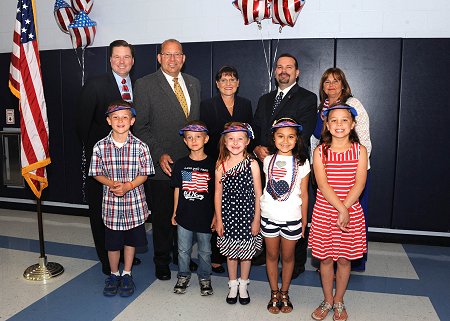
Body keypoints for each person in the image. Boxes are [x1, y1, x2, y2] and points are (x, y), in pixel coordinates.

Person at [133, 39, 201, 281]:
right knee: (162, 217)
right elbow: (140, 127)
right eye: (167, 55)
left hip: (190, 164)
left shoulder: (194, 83)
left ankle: (180, 255)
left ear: (183, 58)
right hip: (163, 163)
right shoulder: (144, 85)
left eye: (177, 55)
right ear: (159, 58)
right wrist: (158, 153)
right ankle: (161, 260)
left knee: (185, 214)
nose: (173, 59)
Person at [76, 39, 141, 275]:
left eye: (127, 57)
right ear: (110, 59)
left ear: (132, 61)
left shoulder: (137, 85)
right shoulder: (95, 85)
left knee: (127, 211)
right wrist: (100, 154)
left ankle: (126, 255)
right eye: (117, 57)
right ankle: (107, 259)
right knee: (101, 212)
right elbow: (82, 125)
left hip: (131, 162)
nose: (122, 61)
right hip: (104, 163)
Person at [252, 53, 317, 278]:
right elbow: (257, 128)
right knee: (269, 208)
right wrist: (256, 148)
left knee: (293, 210)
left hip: (293, 164)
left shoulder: (307, 98)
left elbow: (303, 133)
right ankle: (265, 253)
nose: (283, 71)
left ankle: (295, 262)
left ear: (297, 73)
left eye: (289, 67)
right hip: (265, 164)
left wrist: (270, 149)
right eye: (279, 67)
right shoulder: (265, 99)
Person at [88, 101, 154, 297]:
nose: (120, 121)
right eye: (115, 117)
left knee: (131, 241)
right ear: (108, 121)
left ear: (132, 121)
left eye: (125, 117)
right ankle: (114, 273)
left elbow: (145, 173)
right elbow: (96, 172)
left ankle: (127, 273)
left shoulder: (141, 147)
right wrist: (111, 184)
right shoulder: (100, 147)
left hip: (134, 204)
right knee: (113, 243)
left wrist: (129, 186)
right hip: (112, 206)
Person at [309, 105, 368, 321]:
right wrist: (341, 209)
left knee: (344, 259)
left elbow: (360, 183)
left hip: (351, 212)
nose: (339, 125)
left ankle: (339, 300)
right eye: (334, 120)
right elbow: (322, 186)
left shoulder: (360, 151)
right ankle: (327, 299)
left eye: (344, 120)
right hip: (326, 212)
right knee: (325, 260)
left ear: (352, 124)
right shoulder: (320, 152)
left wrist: (345, 209)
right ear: (327, 124)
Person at [310, 67, 371, 271]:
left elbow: (364, 139)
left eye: (336, 81)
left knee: (348, 228)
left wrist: (355, 158)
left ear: (343, 84)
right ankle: (327, 262)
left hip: (351, 172)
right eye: (327, 82)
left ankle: (347, 262)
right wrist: (316, 161)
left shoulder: (353, 105)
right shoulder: (322, 108)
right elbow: (314, 138)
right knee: (327, 234)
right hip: (325, 168)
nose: (331, 85)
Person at [200, 65, 253, 274]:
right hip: (216, 163)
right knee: (217, 206)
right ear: (217, 84)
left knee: (237, 207)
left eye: (232, 80)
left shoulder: (246, 104)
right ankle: (216, 255)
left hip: (239, 162)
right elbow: (206, 135)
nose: (228, 83)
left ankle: (241, 249)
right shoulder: (207, 105)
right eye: (223, 80)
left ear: (238, 83)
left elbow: (249, 134)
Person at [260, 118, 310, 314]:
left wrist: (304, 221)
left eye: (291, 136)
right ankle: (274, 292)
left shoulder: (302, 163)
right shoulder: (266, 160)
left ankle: (285, 292)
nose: (285, 141)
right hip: (269, 215)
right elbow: (264, 189)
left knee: (288, 257)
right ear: (273, 137)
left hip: (292, 218)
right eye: (280, 136)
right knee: (272, 256)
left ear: (297, 139)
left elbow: (304, 194)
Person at [214, 122, 262, 305]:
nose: (235, 143)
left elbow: (259, 194)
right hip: (228, 216)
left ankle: (243, 285)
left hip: (248, 216)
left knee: (246, 253)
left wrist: (256, 219)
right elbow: (218, 194)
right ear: (225, 142)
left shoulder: (253, 164)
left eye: (240, 139)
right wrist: (219, 219)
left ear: (247, 141)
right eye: (231, 139)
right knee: (231, 252)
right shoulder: (221, 165)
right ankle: (232, 284)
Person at [171, 121, 215, 296]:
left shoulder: (213, 164)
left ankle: (205, 278)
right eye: (189, 137)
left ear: (206, 139)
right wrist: (175, 211)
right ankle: (183, 275)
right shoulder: (181, 164)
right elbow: (178, 189)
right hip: (184, 215)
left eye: (198, 137)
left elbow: (216, 193)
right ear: (185, 141)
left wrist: (216, 216)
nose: (194, 140)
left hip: (205, 216)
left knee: (205, 251)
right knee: (183, 250)